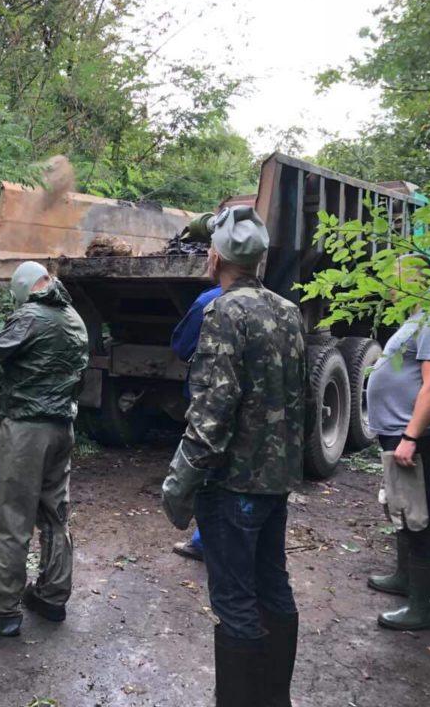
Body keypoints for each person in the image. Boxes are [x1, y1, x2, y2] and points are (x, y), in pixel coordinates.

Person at [161, 206, 305, 706]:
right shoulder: (288, 311)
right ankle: (274, 700)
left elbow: (213, 406)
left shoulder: (221, 311)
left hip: (231, 484)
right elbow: (298, 399)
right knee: (274, 585)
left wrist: (180, 480)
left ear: (215, 256)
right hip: (275, 481)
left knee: (236, 601)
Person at [0, 261, 88, 637]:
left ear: (24, 289)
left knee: (10, 515)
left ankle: (1, 611)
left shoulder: (31, 315)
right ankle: (52, 596)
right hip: (63, 428)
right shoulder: (73, 318)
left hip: (28, 431)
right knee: (55, 513)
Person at [365, 254, 430, 631]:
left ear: (415, 279)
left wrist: (411, 436)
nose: (390, 283)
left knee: (420, 517)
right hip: (395, 433)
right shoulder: (414, 318)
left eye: (396, 275)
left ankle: (421, 607)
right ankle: (404, 578)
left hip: (413, 437)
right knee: (403, 508)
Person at [170, 283, 223, 561]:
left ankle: (204, 542)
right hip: (256, 413)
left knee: (208, 472)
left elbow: (182, 345)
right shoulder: (278, 305)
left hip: (211, 406)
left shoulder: (209, 301)